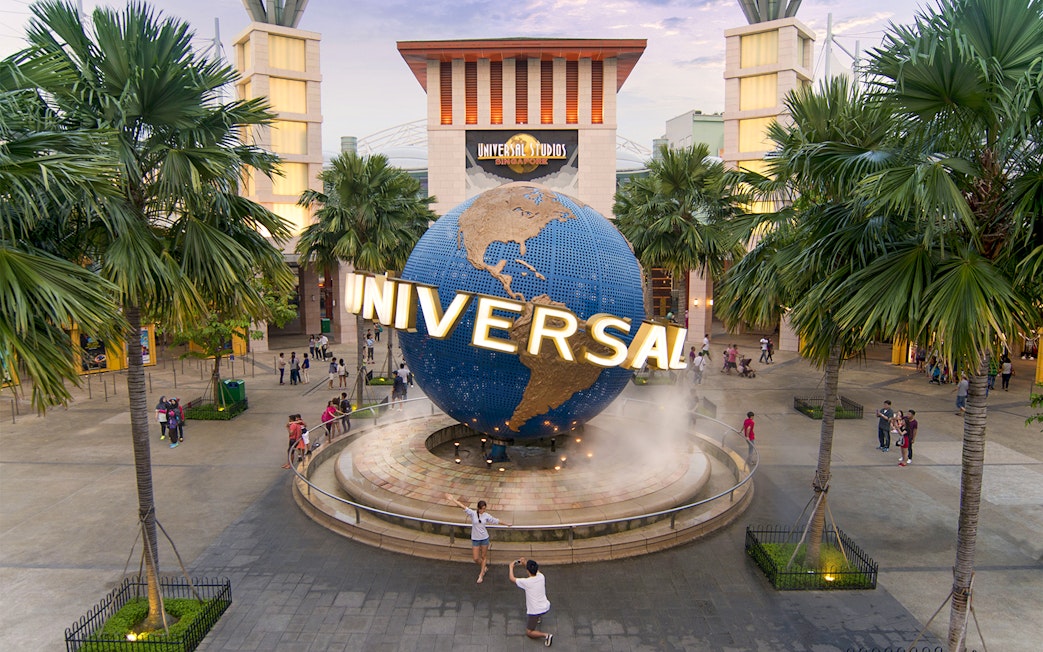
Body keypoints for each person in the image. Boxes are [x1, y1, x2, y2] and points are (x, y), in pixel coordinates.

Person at [446, 494, 510, 584]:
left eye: (484, 508)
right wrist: (453, 499)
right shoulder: (472, 514)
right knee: (476, 558)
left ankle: (481, 574)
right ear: (478, 508)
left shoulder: (486, 515)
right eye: (482, 509)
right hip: (475, 539)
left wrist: (507, 524)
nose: (483, 510)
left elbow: (496, 520)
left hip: (484, 538)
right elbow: (463, 506)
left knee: (484, 556)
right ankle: (484, 567)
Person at [508, 558, 553, 646]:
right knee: (538, 614)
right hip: (546, 606)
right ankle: (538, 618)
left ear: (528, 571)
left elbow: (512, 578)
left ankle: (546, 635)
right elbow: (535, 571)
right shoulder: (541, 577)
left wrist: (511, 567)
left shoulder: (526, 582)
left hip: (535, 611)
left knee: (529, 632)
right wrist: (525, 563)